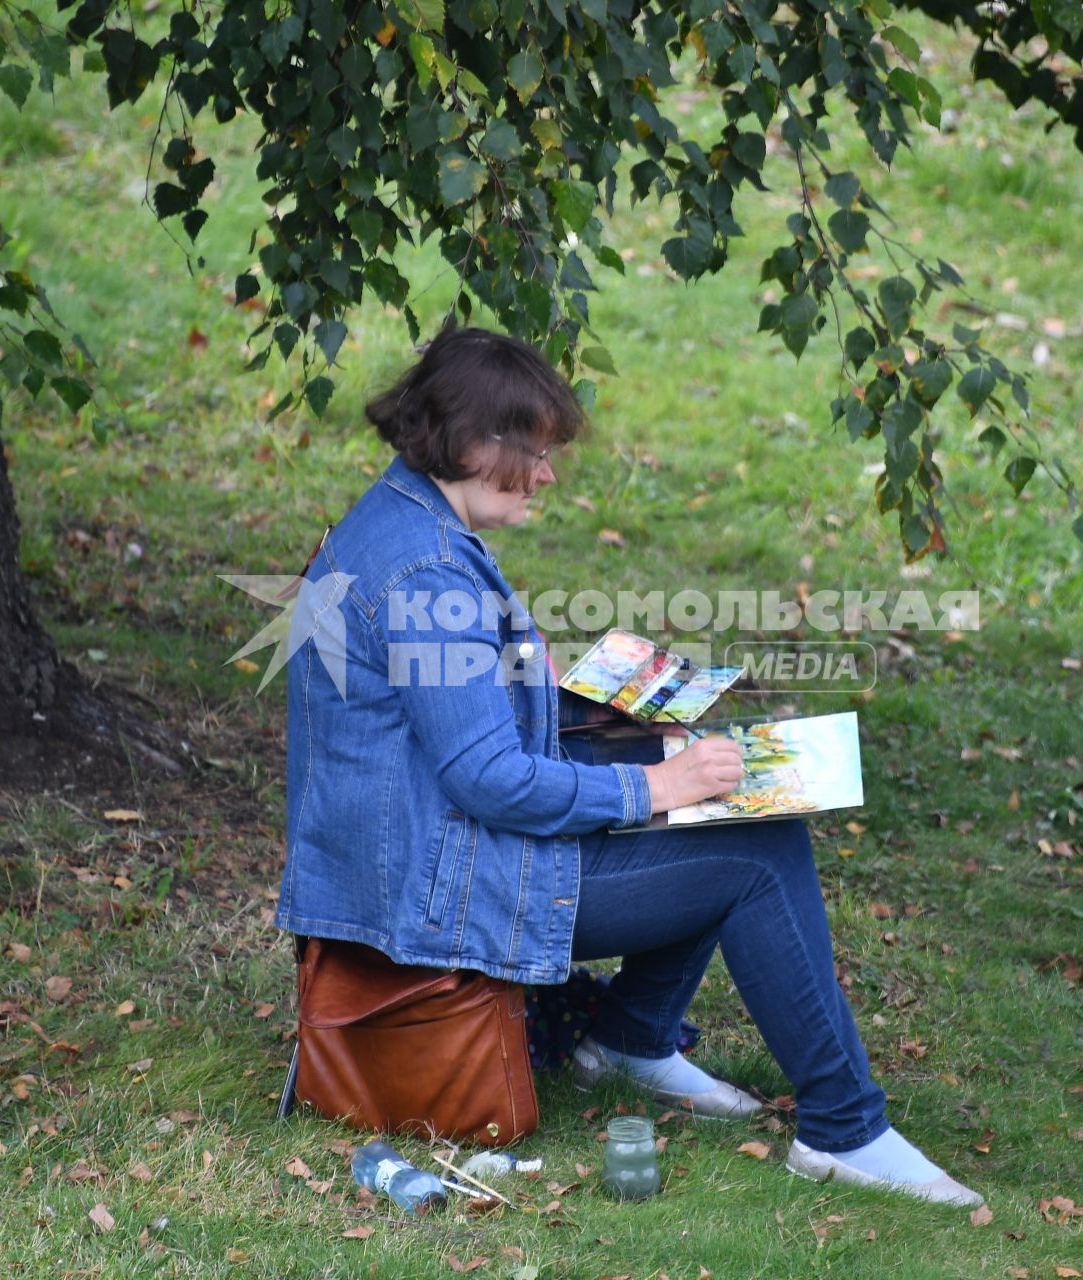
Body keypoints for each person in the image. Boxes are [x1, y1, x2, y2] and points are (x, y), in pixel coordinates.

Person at [274, 325, 982, 1207]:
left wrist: (607, 718)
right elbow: (486, 779)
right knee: (757, 852)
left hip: (415, 856)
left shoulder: (399, 521)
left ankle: (634, 1039)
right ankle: (845, 1130)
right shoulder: (426, 573)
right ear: (467, 443)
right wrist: (654, 784)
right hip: (436, 890)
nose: (547, 473)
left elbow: (442, 714)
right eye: (532, 450)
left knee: (704, 781)